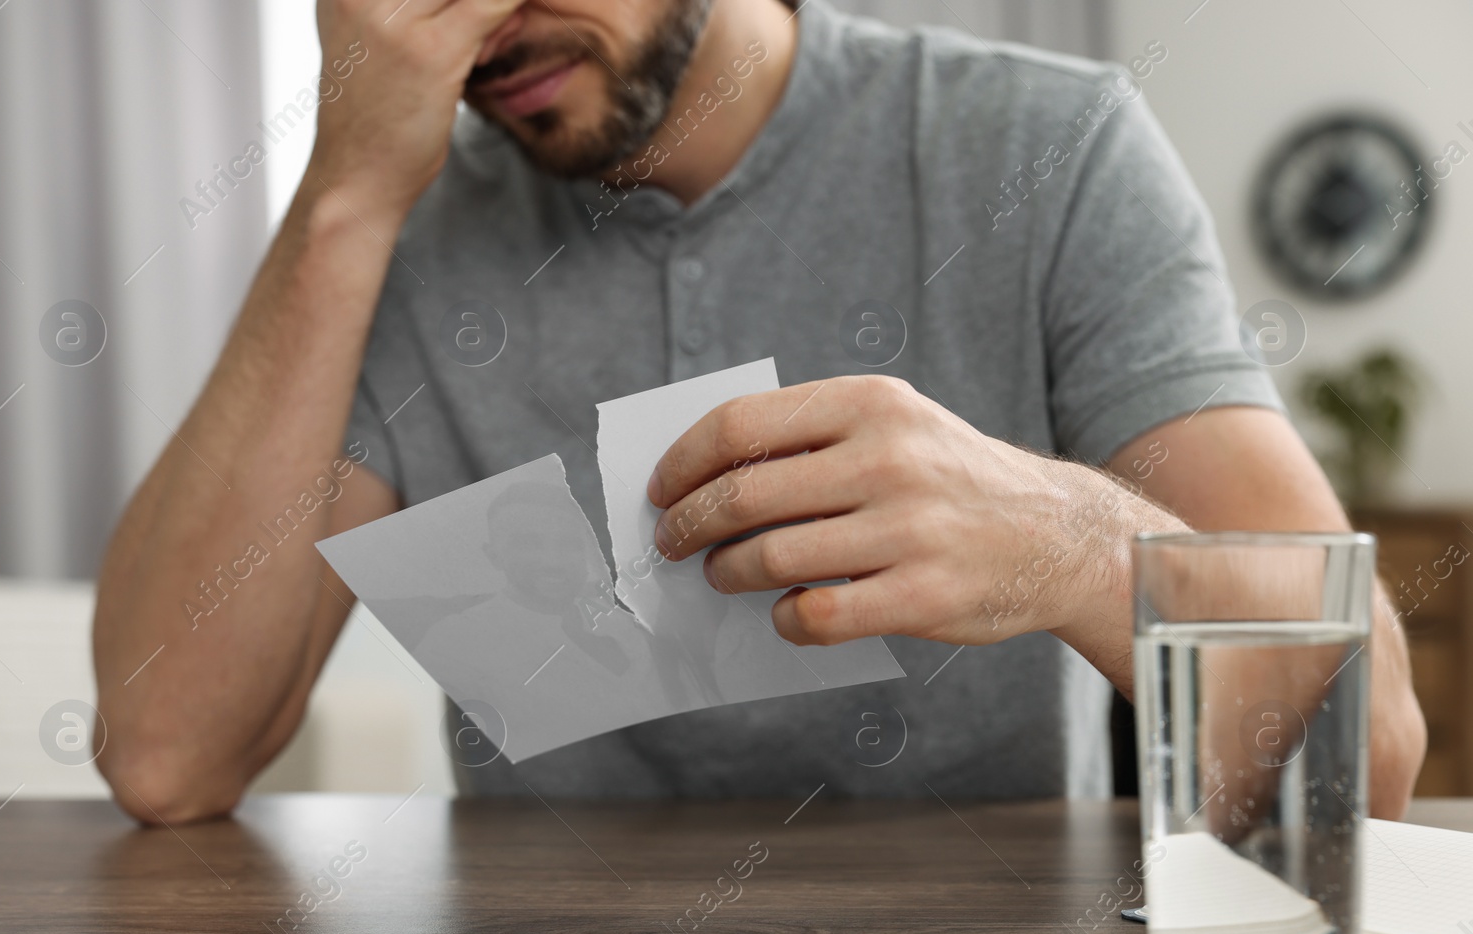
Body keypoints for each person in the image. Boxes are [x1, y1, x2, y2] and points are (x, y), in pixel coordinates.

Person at [92, 0, 1425, 824]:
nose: (481, 27)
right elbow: (165, 757)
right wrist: (345, 192)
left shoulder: (1045, 149)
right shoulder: (399, 239)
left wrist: (1070, 548)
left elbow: (1364, 757)